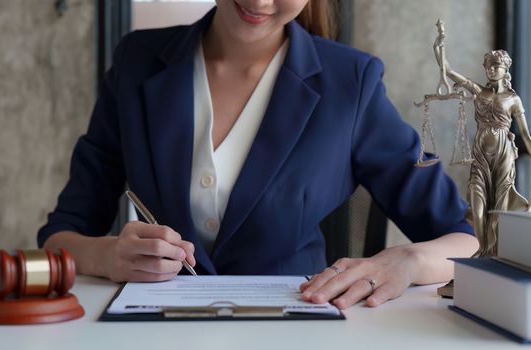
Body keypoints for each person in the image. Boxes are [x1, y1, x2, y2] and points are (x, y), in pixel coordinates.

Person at [38, 0, 479, 309]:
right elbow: (62, 237)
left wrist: (404, 260)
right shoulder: (137, 61)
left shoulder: (352, 82)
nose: (260, 0)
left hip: (293, 331)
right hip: (158, 331)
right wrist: (107, 255)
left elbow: (464, 240)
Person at [434, 40, 531, 257]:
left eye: (496, 65)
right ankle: (484, 249)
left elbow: (525, 135)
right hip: (480, 155)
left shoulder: (513, 99)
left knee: (498, 211)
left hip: (504, 155)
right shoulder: (479, 91)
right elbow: (448, 71)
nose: (491, 69)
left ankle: (492, 254)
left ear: (506, 69)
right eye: (488, 66)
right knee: (477, 209)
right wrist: (438, 49)